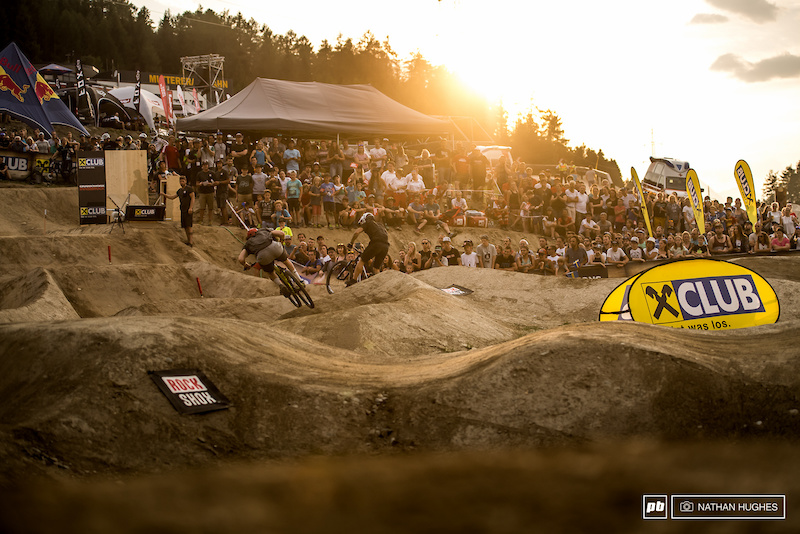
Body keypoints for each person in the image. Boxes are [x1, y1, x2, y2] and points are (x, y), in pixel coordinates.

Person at [238, 227, 299, 297]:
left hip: (262, 256)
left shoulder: (248, 243)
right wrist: (281, 242)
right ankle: (300, 280)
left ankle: (281, 285)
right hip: (275, 247)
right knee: (285, 261)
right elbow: (281, 233)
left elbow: (241, 259)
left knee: (270, 272)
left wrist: (245, 264)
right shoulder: (263, 230)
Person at [347, 212, 390, 285]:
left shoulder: (368, 222)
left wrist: (351, 243)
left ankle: (353, 280)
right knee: (376, 268)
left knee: (362, 260)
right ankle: (381, 285)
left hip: (376, 243)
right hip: (386, 245)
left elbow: (357, 232)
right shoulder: (380, 225)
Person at [158, 175, 195, 247]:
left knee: (189, 226)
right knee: (185, 226)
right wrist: (164, 194)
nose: (181, 182)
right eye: (180, 181)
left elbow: (193, 198)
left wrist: (191, 208)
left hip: (188, 210)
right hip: (183, 210)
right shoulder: (180, 191)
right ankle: (188, 240)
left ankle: (191, 241)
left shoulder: (189, 189)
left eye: (183, 181)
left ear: (186, 181)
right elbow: (172, 197)